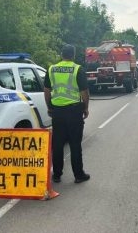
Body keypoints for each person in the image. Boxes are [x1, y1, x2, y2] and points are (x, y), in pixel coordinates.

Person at [44, 44, 90, 184]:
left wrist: (50, 107)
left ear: (61, 54)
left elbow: (46, 91)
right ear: (73, 55)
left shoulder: (51, 69)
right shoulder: (77, 69)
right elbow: (84, 93)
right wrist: (86, 108)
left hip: (57, 112)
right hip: (74, 112)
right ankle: (78, 175)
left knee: (57, 144)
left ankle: (57, 175)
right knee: (75, 144)